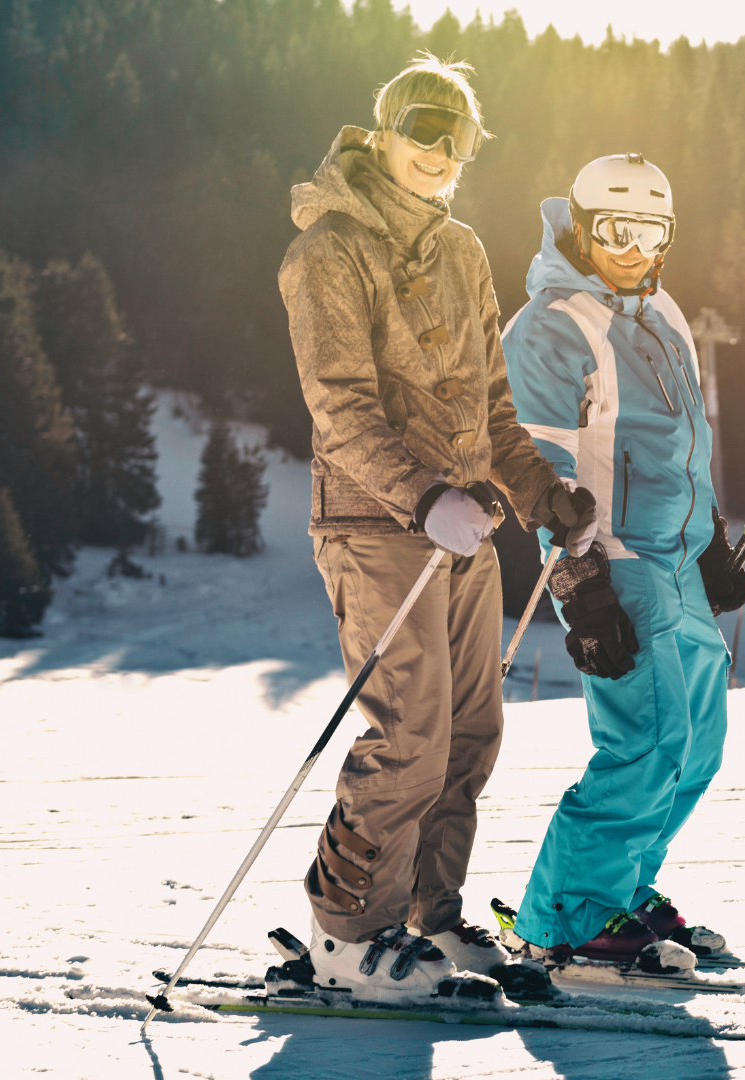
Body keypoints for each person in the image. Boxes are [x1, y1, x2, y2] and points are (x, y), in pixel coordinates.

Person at [278, 54, 598, 1002]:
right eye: (421, 129)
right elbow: (339, 407)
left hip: (466, 526)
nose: (437, 151)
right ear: (381, 133)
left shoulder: (460, 249)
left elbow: (495, 408)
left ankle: (428, 918)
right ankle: (348, 934)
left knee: (469, 731)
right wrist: (422, 499)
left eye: (454, 137)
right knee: (408, 732)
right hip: (379, 527)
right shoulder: (328, 250)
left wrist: (543, 494)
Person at [498, 154, 745, 972]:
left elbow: (685, 446)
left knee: (699, 741)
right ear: (580, 226)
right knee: (647, 739)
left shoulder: (665, 312)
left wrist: (710, 538)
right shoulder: (549, 327)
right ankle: (567, 915)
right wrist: (582, 588)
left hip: (678, 558)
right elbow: (542, 476)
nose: (635, 249)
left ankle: (625, 885)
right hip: (613, 560)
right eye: (617, 231)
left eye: (652, 232)